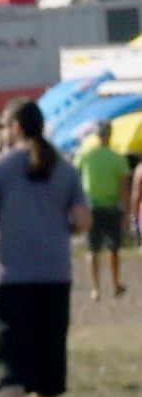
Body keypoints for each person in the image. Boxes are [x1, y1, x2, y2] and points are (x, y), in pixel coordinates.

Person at [0, 98, 87, 397]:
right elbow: (82, 221)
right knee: (50, 356)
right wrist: (56, 228)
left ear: (15, 127)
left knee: (12, 358)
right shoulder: (65, 170)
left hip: (10, 276)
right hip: (53, 274)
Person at [77, 110, 129, 295]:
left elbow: (76, 176)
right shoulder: (117, 157)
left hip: (91, 206)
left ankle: (95, 288)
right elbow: (123, 188)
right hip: (111, 207)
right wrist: (126, 212)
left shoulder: (85, 155)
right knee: (113, 249)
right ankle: (115, 284)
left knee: (92, 249)